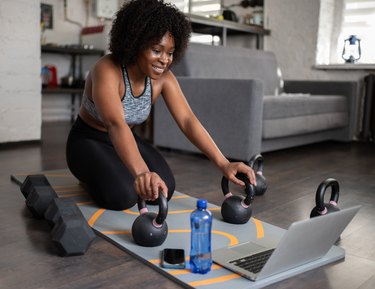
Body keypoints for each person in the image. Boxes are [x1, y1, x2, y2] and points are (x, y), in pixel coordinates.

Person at [66, 0, 256, 211]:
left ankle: (115, 168)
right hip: (87, 139)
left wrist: (224, 163)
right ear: (135, 42)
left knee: (164, 189)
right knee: (122, 195)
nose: (164, 60)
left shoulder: (164, 79)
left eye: (170, 52)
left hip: (126, 139)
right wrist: (141, 173)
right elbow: (115, 125)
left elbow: (187, 121)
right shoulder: (107, 69)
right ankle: (90, 177)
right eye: (157, 50)